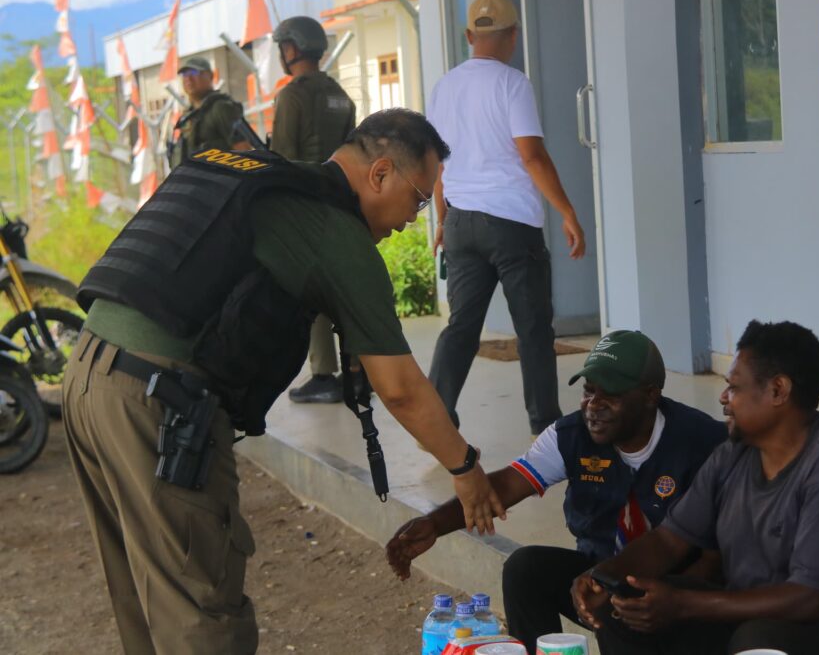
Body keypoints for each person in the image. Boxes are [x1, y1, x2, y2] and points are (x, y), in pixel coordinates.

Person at [63, 108, 505, 655]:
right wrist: (465, 469)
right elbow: (400, 388)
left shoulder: (258, 177)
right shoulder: (335, 233)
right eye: (419, 199)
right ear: (380, 173)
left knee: (145, 596)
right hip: (157, 403)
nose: (415, 220)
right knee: (201, 610)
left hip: (89, 374)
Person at [571, 320, 819, 655]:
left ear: (778, 390)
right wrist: (604, 576)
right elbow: (668, 541)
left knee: (759, 640)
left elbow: (809, 599)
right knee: (627, 605)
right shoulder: (732, 455)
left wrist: (682, 604)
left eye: (735, 387)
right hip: (755, 615)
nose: (724, 397)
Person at [387, 330, 727, 652]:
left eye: (610, 395)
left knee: (617, 599)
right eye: (589, 391)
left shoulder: (703, 443)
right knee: (525, 569)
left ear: (651, 395)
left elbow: (719, 555)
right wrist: (434, 524)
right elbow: (505, 485)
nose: (594, 405)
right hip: (597, 578)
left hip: (678, 589)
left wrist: (671, 599)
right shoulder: (570, 435)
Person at [427, 0, 587, 437]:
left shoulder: (444, 87)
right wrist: (568, 212)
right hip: (511, 225)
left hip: (460, 222)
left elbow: (436, 163)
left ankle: (435, 418)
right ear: (513, 35)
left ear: (468, 36)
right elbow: (532, 156)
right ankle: (545, 424)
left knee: (461, 326)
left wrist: (442, 220)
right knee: (533, 329)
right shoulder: (513, 84)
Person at [268, 15, 360, 404]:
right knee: (346, 289)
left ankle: (324, 374)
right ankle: (358, 370)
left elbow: (282, 159)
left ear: (291, 48)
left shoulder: (292, 96)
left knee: (313, 291)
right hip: (341, 203)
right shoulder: (341, 94)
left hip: (305, 205)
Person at [168, 56, 248, 168]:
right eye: (185, 74)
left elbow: (244, 150)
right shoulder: (187, 117)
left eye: (194, 72)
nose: (188, 78)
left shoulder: (221, 108)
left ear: (210, 76)